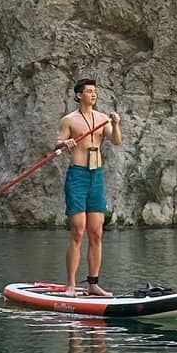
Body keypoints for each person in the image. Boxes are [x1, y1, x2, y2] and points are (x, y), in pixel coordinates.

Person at [56, 78, 122, 297]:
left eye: (95, 91)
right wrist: (65, 144)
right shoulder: (70, 120)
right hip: (78, 175)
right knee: (78, 229)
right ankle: (71, 285)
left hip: (97, 176)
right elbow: (58, 143)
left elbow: (116, 141)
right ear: (78, 95)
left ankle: (93, 284)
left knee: (96, 232)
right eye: (89, 91)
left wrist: (116, 124)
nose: (93, 95)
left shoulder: (103, 119)